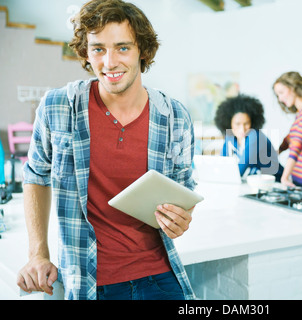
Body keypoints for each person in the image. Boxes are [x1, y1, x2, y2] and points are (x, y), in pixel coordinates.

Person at [16, 0, 196, 300]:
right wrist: (38, 253)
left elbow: (184, 189)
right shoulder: (58, 106)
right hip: (89, 282)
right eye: (98, 49)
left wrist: (181, 218)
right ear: (87, 52)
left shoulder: (174, 115)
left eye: (123, 47)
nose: (109, 62)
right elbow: (36, 176)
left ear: (143, 51)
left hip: (160, 276)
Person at [214, 94, 283, 181]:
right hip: (255, 182)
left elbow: (241, 167)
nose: (242, 129)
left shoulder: (255, 136)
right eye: (237, 124)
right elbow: (223, 162)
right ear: (229, 123)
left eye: (246, 123)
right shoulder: (230, 137)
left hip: (275, 182)